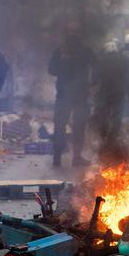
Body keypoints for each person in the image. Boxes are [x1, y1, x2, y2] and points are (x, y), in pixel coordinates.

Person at [48, 32, 94, 167]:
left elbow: (51, 70)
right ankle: (76, 157)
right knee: (79, 126)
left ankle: (57, 157)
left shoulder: (60, 51)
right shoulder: (85, 51)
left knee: (59, 125)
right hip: (80, 95)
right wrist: (93, 84)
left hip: (63, 94)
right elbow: (97, 66)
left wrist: (63, 67)